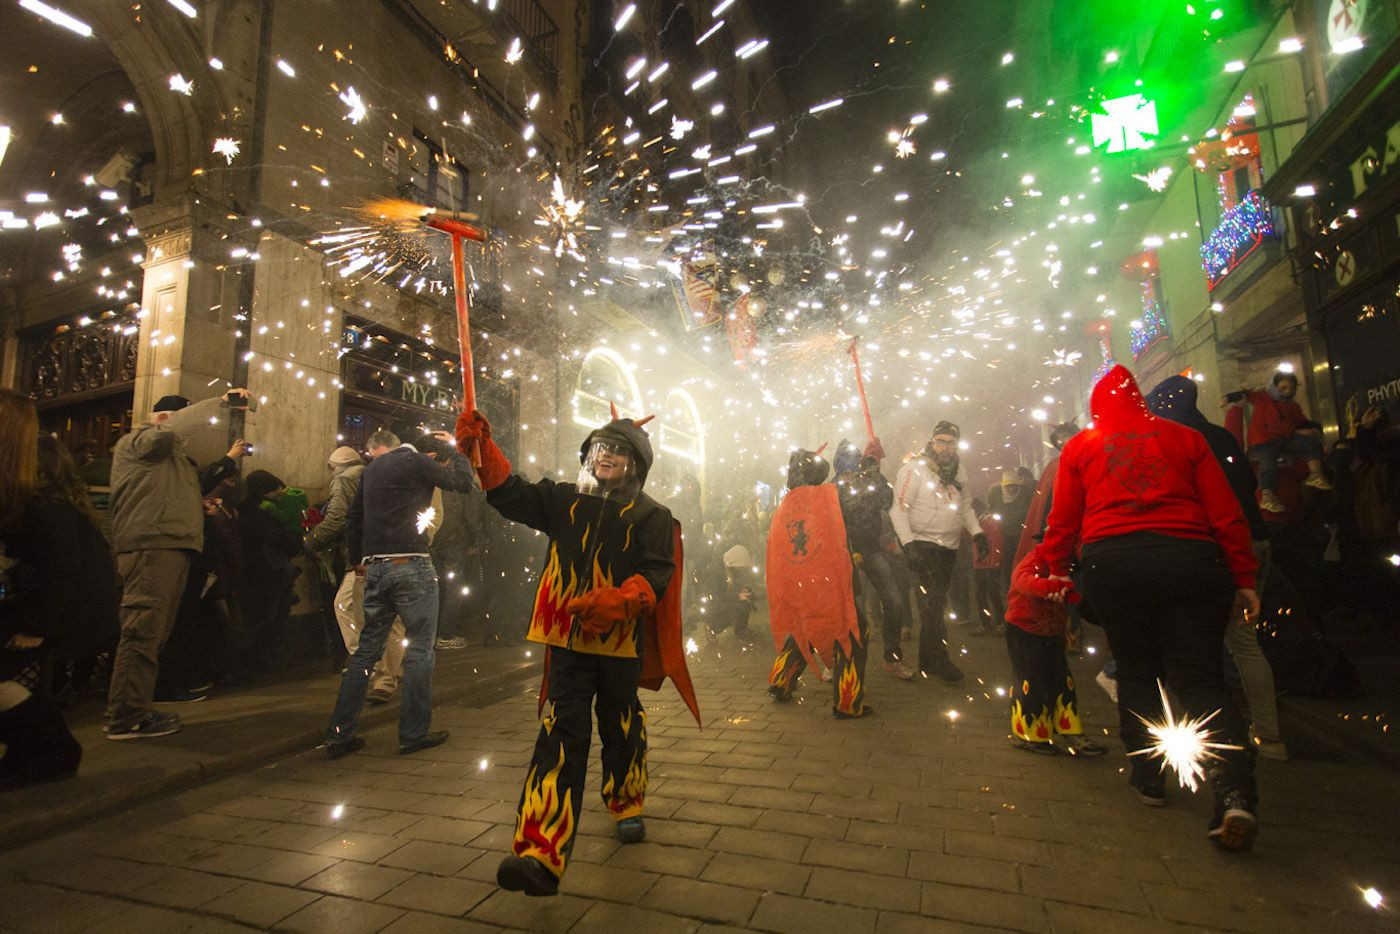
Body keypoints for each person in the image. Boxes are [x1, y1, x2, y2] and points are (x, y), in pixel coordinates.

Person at [456, 405, 696, 897]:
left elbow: (657, 571)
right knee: (561, 733)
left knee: (620, 719)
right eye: (601, 447)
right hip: (566, 640)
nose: (607, 455)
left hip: (621, 644)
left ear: (638, 464)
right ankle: (540, 853)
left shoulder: (652, 515)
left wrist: (622, 599)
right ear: (589, 454)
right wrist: (482, 450)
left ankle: (627, 801)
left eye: (620, 450)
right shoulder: (564, 499)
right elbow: (510, 494)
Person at [1042, 365, 1260, 852]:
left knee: (1138, 671)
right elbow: (1225, 512)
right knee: (1201, 678)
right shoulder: (1185, 438)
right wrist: (1244, 577)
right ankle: (1234, 792)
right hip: (1191, 561)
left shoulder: (1081, 447)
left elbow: (1063, 518)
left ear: (1098, 407)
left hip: (1115, 566)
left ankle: (1148, 776)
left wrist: (1057, 568)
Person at [1147, 375, 1288, 760]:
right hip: (1255, 541)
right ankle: (1271, 736)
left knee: (1193, 645)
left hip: (1213, 548)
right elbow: (1248, 488)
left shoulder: (1172, 441)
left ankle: (1214, 735)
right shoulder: (1220, 438)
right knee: (1244, 642)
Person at [104, 390, 249, 739]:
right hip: (153, 545)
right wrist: (220, 402)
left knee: (154, 632)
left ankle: (137, 708)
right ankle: (125, 716)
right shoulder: (140, 441)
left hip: (170, 546)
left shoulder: (171, 460)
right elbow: (169, 430)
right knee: (143, 630)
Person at [323, 430, 475, 759]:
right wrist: (457, 447)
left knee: (366, 652)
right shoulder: (417, 462)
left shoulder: (372, 469)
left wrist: (357, 561)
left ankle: (339, 734)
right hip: (413, 564)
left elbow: (353, 518)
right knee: (420, 650)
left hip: (374, 566)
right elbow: (464, 482)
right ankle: (413, 734)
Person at [0, 399, 117, 788]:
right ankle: (28, 751)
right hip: (44, 602)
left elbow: (65, 572)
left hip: (62, 609)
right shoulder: (36, 504)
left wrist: (38, 626)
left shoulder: (46, 509)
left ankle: (53, 749)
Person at [767, 447, 872, 717]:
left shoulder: (786, 503)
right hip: (828, 579)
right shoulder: (829, 496)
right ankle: (848, 700)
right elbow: (863, 506)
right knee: (852, 629)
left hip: (797, 578)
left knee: (806, 625)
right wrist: (871, 470)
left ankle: (782, 677)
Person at [889, 420, 988, 683]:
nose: (945, 447)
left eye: (950, 442)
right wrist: (908, 545)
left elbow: (965, 506)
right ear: (932, 442)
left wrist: (977, 532)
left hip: (949, 547)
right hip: (923, 546)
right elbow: (898, 509)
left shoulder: (959, 470)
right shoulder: (914, 469)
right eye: (940, 441)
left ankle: (929, 659)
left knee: (935, 605)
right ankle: (938, 660)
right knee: (933, 604)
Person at [1005, 545, 1106, 757]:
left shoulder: (1069, 564)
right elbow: (1022, 581)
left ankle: (1070, 730)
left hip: (1052, 631)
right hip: (1026, 630)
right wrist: (1051, 587)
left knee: (1062, 680)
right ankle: (1029, 734)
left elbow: (1074, 594)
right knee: (1031, 682)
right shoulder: (1036, 558)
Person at [835, 439, 915, 678]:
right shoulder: (833, 488)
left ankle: (892, 656)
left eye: (853, 470)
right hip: (843, 555)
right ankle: (841, 664)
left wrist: (876, 473)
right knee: (853, 614)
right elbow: (849, 504)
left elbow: (886, 500)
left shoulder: (869, 481)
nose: (849, 476)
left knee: (894, 601)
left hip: (870, 551)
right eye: (845, 472)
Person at [1224, 371, 1332, 513]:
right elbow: (1251, 400)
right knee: (1267, 465)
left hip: (1284, 442)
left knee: (1308, 444)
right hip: (1263, 442)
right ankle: (1267, 496)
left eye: (1291, 388)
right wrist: (1231, 401)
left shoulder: (1292, 407)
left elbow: (1300, 421)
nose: (1287, 392)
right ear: (1275, 387)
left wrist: (1309, 431)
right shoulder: (1264, 398)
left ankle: (1316, 475)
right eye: (1283, 388)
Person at [988, 468, 1033, 598]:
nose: (1012, 489)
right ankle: (1009, 589)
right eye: (1008, 486)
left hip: (1021, 534)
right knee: (1006, 564)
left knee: (1022, 563)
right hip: (1003, 535)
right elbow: (990, 509)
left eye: (1014, 486)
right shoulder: (995, 493)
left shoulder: (1025, 494)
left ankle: (1022, 588)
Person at [969, 498, 1004, 637]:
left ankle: (997, 623)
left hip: (988, 564)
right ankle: (988, 623)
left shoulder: (989, 522)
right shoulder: (977, 522)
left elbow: (997, 542)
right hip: (980, 564)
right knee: (982, 594)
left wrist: (995, 562)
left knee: (992, 594)